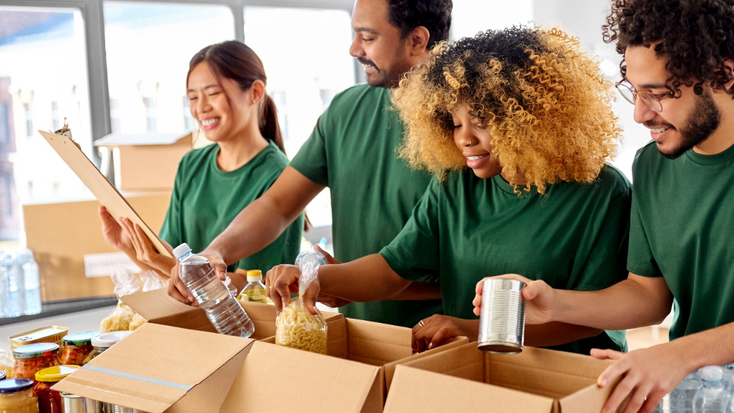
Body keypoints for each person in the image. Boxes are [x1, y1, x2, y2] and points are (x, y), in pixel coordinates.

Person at [474, 1, 734, 412]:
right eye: (633, 91)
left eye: (657, 95)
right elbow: (647, 294)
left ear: (723, 73)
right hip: (699, 398)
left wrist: (677, 355)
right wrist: (555, 303)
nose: (638, 114)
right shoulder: (652, 165)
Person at [266, 25, 630, 356]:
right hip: (478, 372)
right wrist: (312, 276)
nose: (465, 139)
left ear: (531, 120)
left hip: (567, 376)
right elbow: (392, 269)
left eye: (483, 122)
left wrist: (469, 330)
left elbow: (589, 316)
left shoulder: (600, 192)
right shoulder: (454, 183)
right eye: (455, 123)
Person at [166, 0, 452, 328]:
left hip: (441, 338)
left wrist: (341, 281)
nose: (353, 48)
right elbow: (277, 204)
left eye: (367, 37)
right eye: (354, 34)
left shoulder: (464, 129)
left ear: (417, 40)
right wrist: (217, 251)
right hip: (359, 333)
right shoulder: (345, 112)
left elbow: (472, 270)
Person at [100, 40, 304, 279]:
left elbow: (250, 288)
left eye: (213, 93)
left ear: (256, 93)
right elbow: (170, 271)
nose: (201, 108)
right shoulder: (192, 166)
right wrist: (129, 245)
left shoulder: (280, 178)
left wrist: (164, 264)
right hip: (196, 313)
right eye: (193, 98)